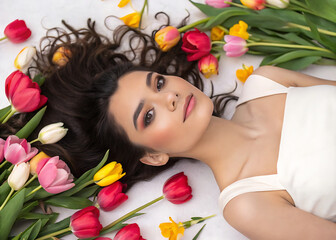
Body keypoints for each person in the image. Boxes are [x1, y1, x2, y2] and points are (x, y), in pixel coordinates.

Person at [1, 18, 336, 239]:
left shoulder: (268, 80)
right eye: (148, 116)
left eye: (158, 83)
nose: (171, 97)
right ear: (154, 155)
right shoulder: (247, 203)